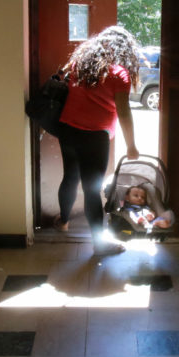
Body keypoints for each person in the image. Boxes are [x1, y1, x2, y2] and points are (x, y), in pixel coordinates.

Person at [53, 26, 141, 255]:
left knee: (70, 177)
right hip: (94, 136)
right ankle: (100, 245)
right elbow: (124, 113)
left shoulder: (79, 64)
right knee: (92, 190)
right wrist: (131, 145)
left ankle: (63, 221)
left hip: (67, 129)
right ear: (124, 50)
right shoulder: (119, 73)